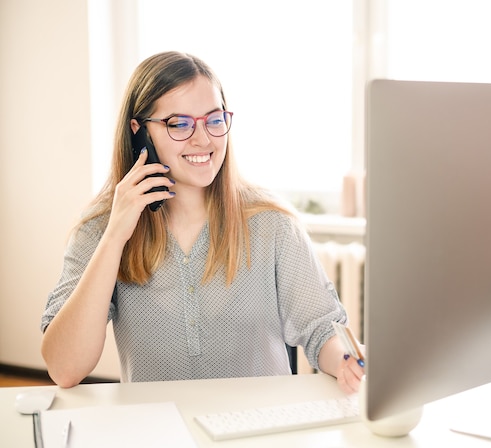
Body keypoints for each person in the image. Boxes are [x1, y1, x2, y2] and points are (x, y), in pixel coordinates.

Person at [40, 51, 364, 393]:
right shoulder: (99, 229)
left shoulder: (273, 223)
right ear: (139, 132)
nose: (203, 139)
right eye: (179, 123)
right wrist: (114, 237)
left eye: (214, 119)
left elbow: (322, 329)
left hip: (256, 429)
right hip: (160, 429)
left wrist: (345, 361)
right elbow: (64, 369)